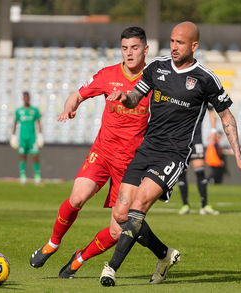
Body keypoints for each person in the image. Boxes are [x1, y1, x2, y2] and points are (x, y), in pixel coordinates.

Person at [100, 21, 241, 287]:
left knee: (138, 210)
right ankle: (165, 255)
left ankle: (110, 270)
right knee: (122, 216)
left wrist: (238, 156)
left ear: (194, 46)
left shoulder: (206, 78)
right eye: (171, 41)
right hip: (147, 148)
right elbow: (136, 97)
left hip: (173, 155)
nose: (173, 47)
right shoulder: (157, 68)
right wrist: (124, 97)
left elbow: (226, 115)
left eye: (180, 43)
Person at [30, 27, 172, 280]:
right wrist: (69, 108)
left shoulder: (156, 83)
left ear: (146, 50)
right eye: (125, 48)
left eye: (135, 48)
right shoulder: (108, 75)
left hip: (130, 164)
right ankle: (52, 243)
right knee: (77, 198)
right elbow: (77, 95)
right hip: (103, 152)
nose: (129, 53)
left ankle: (79, 258)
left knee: (117, 230)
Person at [177, 105, 220, 215]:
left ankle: (204, 205)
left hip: (196, 138)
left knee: (200, 172)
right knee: (181, 173)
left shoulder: (200, 91)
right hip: (180, 138)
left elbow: (211, 109)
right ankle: (185, 205)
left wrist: (213, 130)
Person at [11, 91, 43, 185]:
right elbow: (15, 123)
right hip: (22, 138)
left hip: (32, 138)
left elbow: (38, 122)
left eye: (27, 97)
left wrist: (40, 135)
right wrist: (13, 135)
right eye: (25, 97)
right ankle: (23, 177)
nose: (26, 99)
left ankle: (37, 177)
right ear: (23, 98)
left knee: (35, 157)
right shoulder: (19, 111)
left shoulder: (34, 110)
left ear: (29, 98)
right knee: (22, 156)